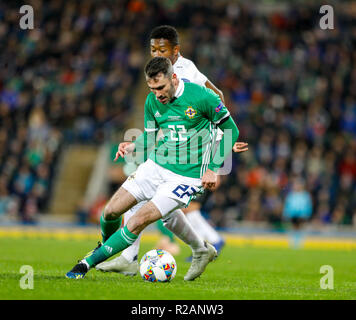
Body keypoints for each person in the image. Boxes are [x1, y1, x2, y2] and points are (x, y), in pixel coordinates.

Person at [65, 56, 240, 280]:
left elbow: (231, 130)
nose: (157, 93)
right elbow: (149, 137)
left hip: (186, 176)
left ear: (174, 78)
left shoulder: (202, 97)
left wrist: (213, 168)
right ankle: (199, 249)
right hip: (155, 166)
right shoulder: (152, 101)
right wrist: (133, 146)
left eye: (161, 87)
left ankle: (85, 264)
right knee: (110, 213)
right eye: (152, 88)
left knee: (138, 221)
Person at [96, 25, 247, 274]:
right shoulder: (160, 73)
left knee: (165, 205)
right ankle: (133, 257)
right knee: (145, 194)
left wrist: (219, 146)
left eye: (162, 49)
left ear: (176, 51)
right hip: (171, 146)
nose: (156, 53)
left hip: (195, 154)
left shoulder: (186, 71)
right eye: (153, 48)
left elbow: (216, 96)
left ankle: (199, 245)